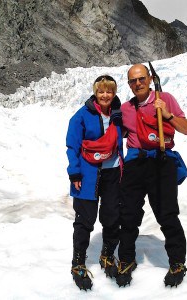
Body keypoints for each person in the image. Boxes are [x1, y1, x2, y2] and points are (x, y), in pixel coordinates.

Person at [116, 64, 187, 288]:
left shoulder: (165, 98)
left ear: (149, 79)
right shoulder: (127, 108)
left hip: (161, 160)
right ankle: (127, 260)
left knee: (167, 214)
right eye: (132, 81)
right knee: (128, 214)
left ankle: (177, 262)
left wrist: (167, 114)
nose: (137, 83)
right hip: (135, 164)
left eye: (141, 79)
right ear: (129, 85)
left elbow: (185, 128)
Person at [66, 75, 123, 291]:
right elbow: (72, 146)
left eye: (109, 91)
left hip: (113, 173)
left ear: (114, 93)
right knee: (84, 220)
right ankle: (78, 263)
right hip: (87, 175)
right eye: (101, 91)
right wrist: (74, 173)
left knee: (112, 216)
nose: (105, 95)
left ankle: (107, 255)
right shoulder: (81, 116)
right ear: (95, 93)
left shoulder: (119, 115)